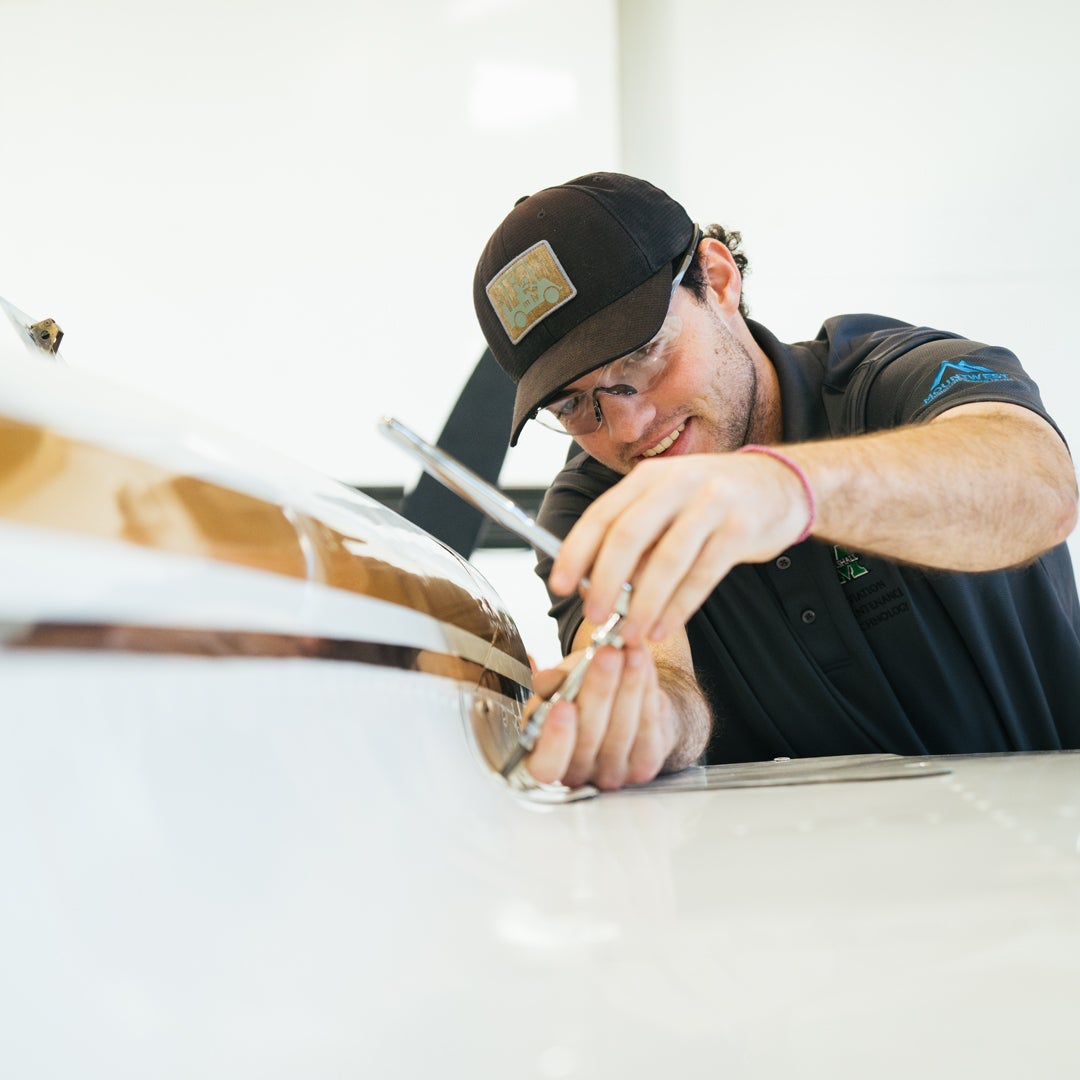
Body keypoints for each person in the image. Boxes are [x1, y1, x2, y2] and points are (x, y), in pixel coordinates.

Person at [472, 171, 1080, 791]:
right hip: (794, 880)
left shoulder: (887, 380)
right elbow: (659, 673)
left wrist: (785, 489)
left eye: (643, 353)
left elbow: (1040, 488)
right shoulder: (591, 506)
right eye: (575, 405)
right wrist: (647, 719)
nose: (627, 427)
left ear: (718, 278)